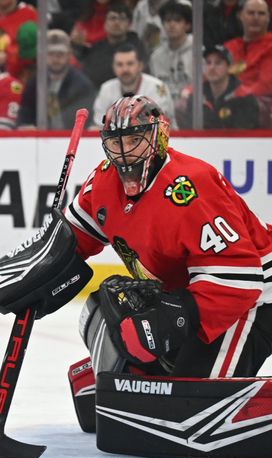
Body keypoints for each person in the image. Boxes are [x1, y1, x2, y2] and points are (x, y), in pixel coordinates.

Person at [65, 94, 272, 382]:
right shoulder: (102, 181)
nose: (124, 153)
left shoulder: (190, 187)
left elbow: (239, 278)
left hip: (254, 294)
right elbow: (71, 237)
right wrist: (42, 263)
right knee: (107, 311)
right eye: (116, 143)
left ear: (158, 137)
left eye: (134, 141)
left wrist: (180, 312)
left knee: (191, 407)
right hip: (200, 291)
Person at [17, 29, 95, 129]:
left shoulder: (81, 84)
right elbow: (25, 112)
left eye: (60, 54)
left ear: (69, 55)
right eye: (51, 54)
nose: (55, 59)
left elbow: (86, 120)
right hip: (41, 139)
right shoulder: (35, 82)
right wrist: (25, 126)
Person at [91, 43, 176, 128]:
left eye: (130, 64)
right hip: (119, 138)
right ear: (113, 67)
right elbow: (99, 125)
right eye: (120, 64)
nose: (125, 69)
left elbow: (160, 123)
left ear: (140, 66)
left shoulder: (157, 87)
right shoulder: (106, 89)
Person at [176, 45, 259, 129]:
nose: (212, 67)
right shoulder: (196, 96)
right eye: (208, 63)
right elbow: (190, 132)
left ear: (229, 67)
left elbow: (244, 136)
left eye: (218, 63)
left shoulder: (244, 97)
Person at [80, 3, 147, 88]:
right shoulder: (96, 48)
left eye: (122, 18)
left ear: (129, 25)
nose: (117, 22)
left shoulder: (138, 47)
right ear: (104, 24)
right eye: (112, 18)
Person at [223, 0, 272, 99]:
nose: (256, 18)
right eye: (251, 13)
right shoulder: (229, 46)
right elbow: (210, 75)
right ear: (240, 15)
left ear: (268, 18)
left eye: (261, 14)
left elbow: (265, 86)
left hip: (259, 105)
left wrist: (234, 95)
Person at [149, 0, 192, 105]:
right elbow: (155, 89)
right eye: (168, 20)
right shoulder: (156, 57)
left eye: (177, 20)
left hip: (191, 109)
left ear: (187, 25)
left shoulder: (199, 52)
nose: (172, 24)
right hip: (163, 108)